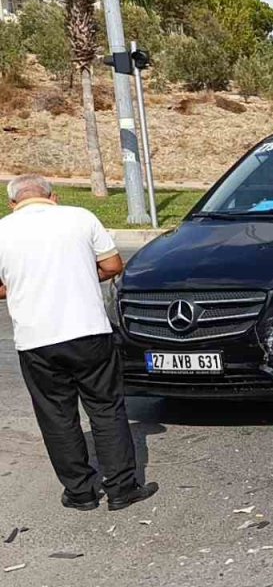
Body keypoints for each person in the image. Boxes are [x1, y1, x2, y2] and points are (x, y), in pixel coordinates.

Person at [0, 175, 158, 511]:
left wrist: (23, 285)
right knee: (105, 409)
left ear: (13, 202)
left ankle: (80, 493)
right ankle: (121, 489)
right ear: (52, 196)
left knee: (56, 415)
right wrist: (81, 274)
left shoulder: (2, 229)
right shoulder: (80, 217)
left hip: (36, 340)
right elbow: (113, 265)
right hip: (88, 332)